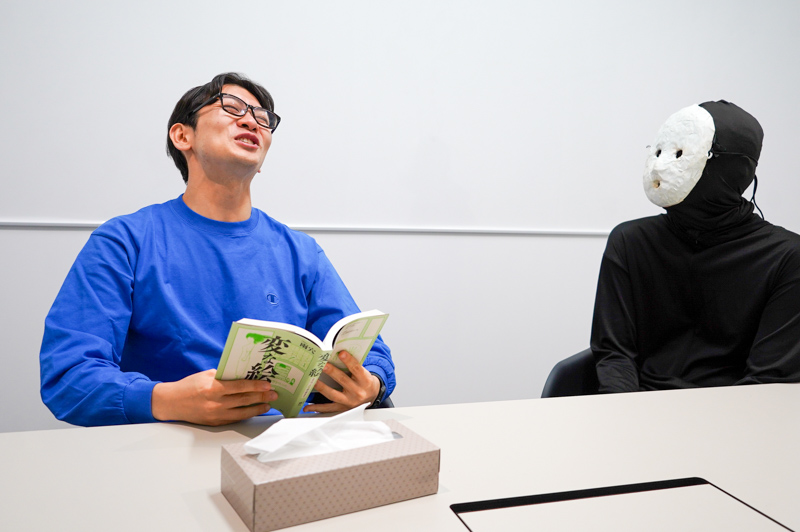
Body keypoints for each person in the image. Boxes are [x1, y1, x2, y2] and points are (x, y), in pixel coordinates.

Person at [40, 73, 395, 426]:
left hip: (292, 444)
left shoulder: (301, 251)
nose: (252, 122)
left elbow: (368, 350)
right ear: (183, 136)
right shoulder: (125, 241)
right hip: (172, 444)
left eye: (263, 118)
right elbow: (69, 377)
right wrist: (166, 400)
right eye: (232, 107)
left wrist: (371, 385)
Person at [591, 100, 800, 393]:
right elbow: (614, 354)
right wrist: (625, 413)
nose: (660, 166)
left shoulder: (785, 258)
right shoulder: (631, 242)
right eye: (659, 151)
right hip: (639, 406)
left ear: (735, 169)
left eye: (680, 154)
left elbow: (768, 382)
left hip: (734, 412)